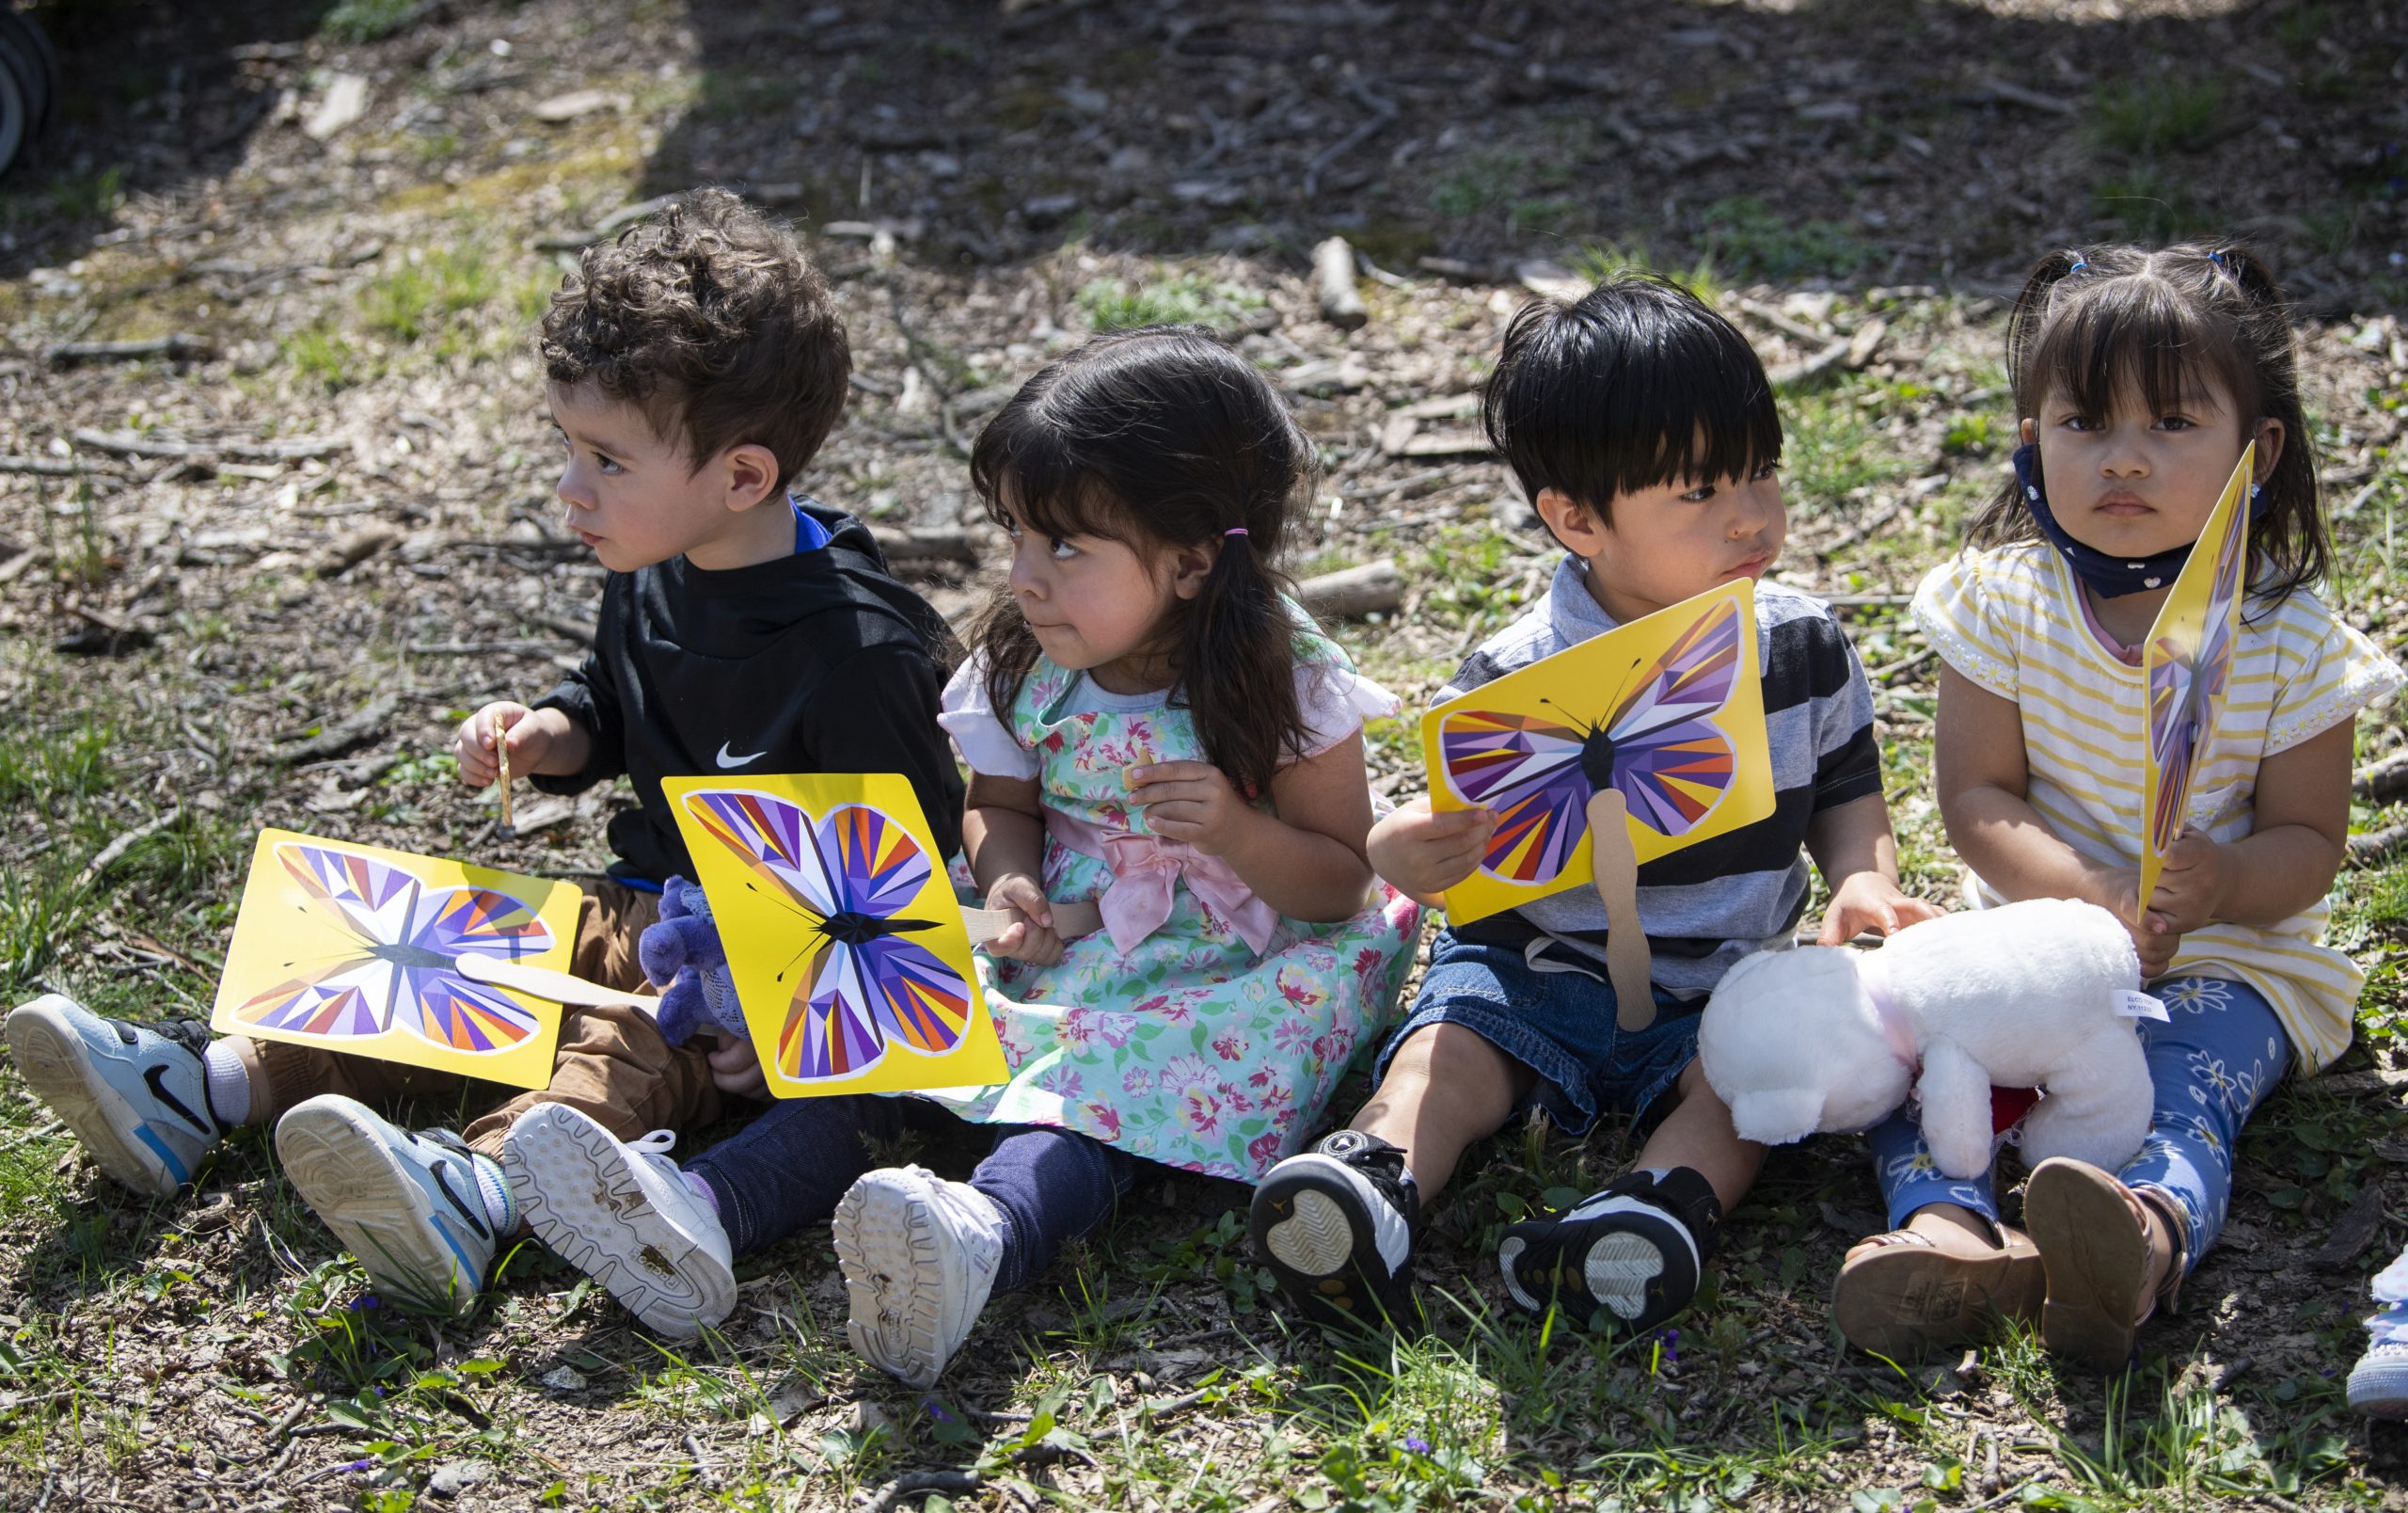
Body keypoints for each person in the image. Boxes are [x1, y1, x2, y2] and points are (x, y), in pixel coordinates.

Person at [3, 190, 965, 1315]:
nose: (570, 486)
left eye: (606, 458)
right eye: (569, 446)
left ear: (741, 478)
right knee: (440, 949)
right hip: (640, 900)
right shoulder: (654, 566)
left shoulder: (863, 653)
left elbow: (909, 890)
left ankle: (485, 1189)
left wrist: (786, 1011)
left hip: (748, 979)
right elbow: (616, 694)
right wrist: (555, 731)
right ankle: (209, 1084)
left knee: (621, 1042)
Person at [499, 326, 1420, 1381]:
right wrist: (1011, 873)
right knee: (892, 1040)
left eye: (1065, 547)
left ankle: (982, 1235)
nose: (1024, 576)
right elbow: (995, 802)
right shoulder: (1031, 654)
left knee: (1095, 1093)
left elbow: (1342, 877)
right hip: (1063, 924)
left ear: (1192, 562)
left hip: (1234, 953)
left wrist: (1235, 828)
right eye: (1016, 535)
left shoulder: (1281, 675)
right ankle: (702, 1208)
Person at [1249, 274, 1940, 1335]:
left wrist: (1862, 879)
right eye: (1700, 492)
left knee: (1750, 1081)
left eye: (1760, 471)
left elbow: (1849, 791)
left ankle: (1655, 1211)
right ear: (1575, 518)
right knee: (1451, 1050)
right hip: (1539, 971)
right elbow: (1464, 849)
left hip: (1724, 981)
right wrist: (1406, 849)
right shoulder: (1512, 670)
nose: (1752, 514)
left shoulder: (1798, 642)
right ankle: (1372, 1179)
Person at [1830, 243, 2402, 1370]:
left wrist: (2228, 882)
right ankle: (1943, 1232)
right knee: (1925, 1052)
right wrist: (2090, 896)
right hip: (2032, 933)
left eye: (2173, 426)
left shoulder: (2287, 638)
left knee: (2181, 1085)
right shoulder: (2002, 603)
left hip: (2228, 960)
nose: (2123, 460)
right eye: (2083, 423)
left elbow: (2311, 842)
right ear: (2031, 437)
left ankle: (2135, 1237)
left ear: (2259, 446)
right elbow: (1977, 797)